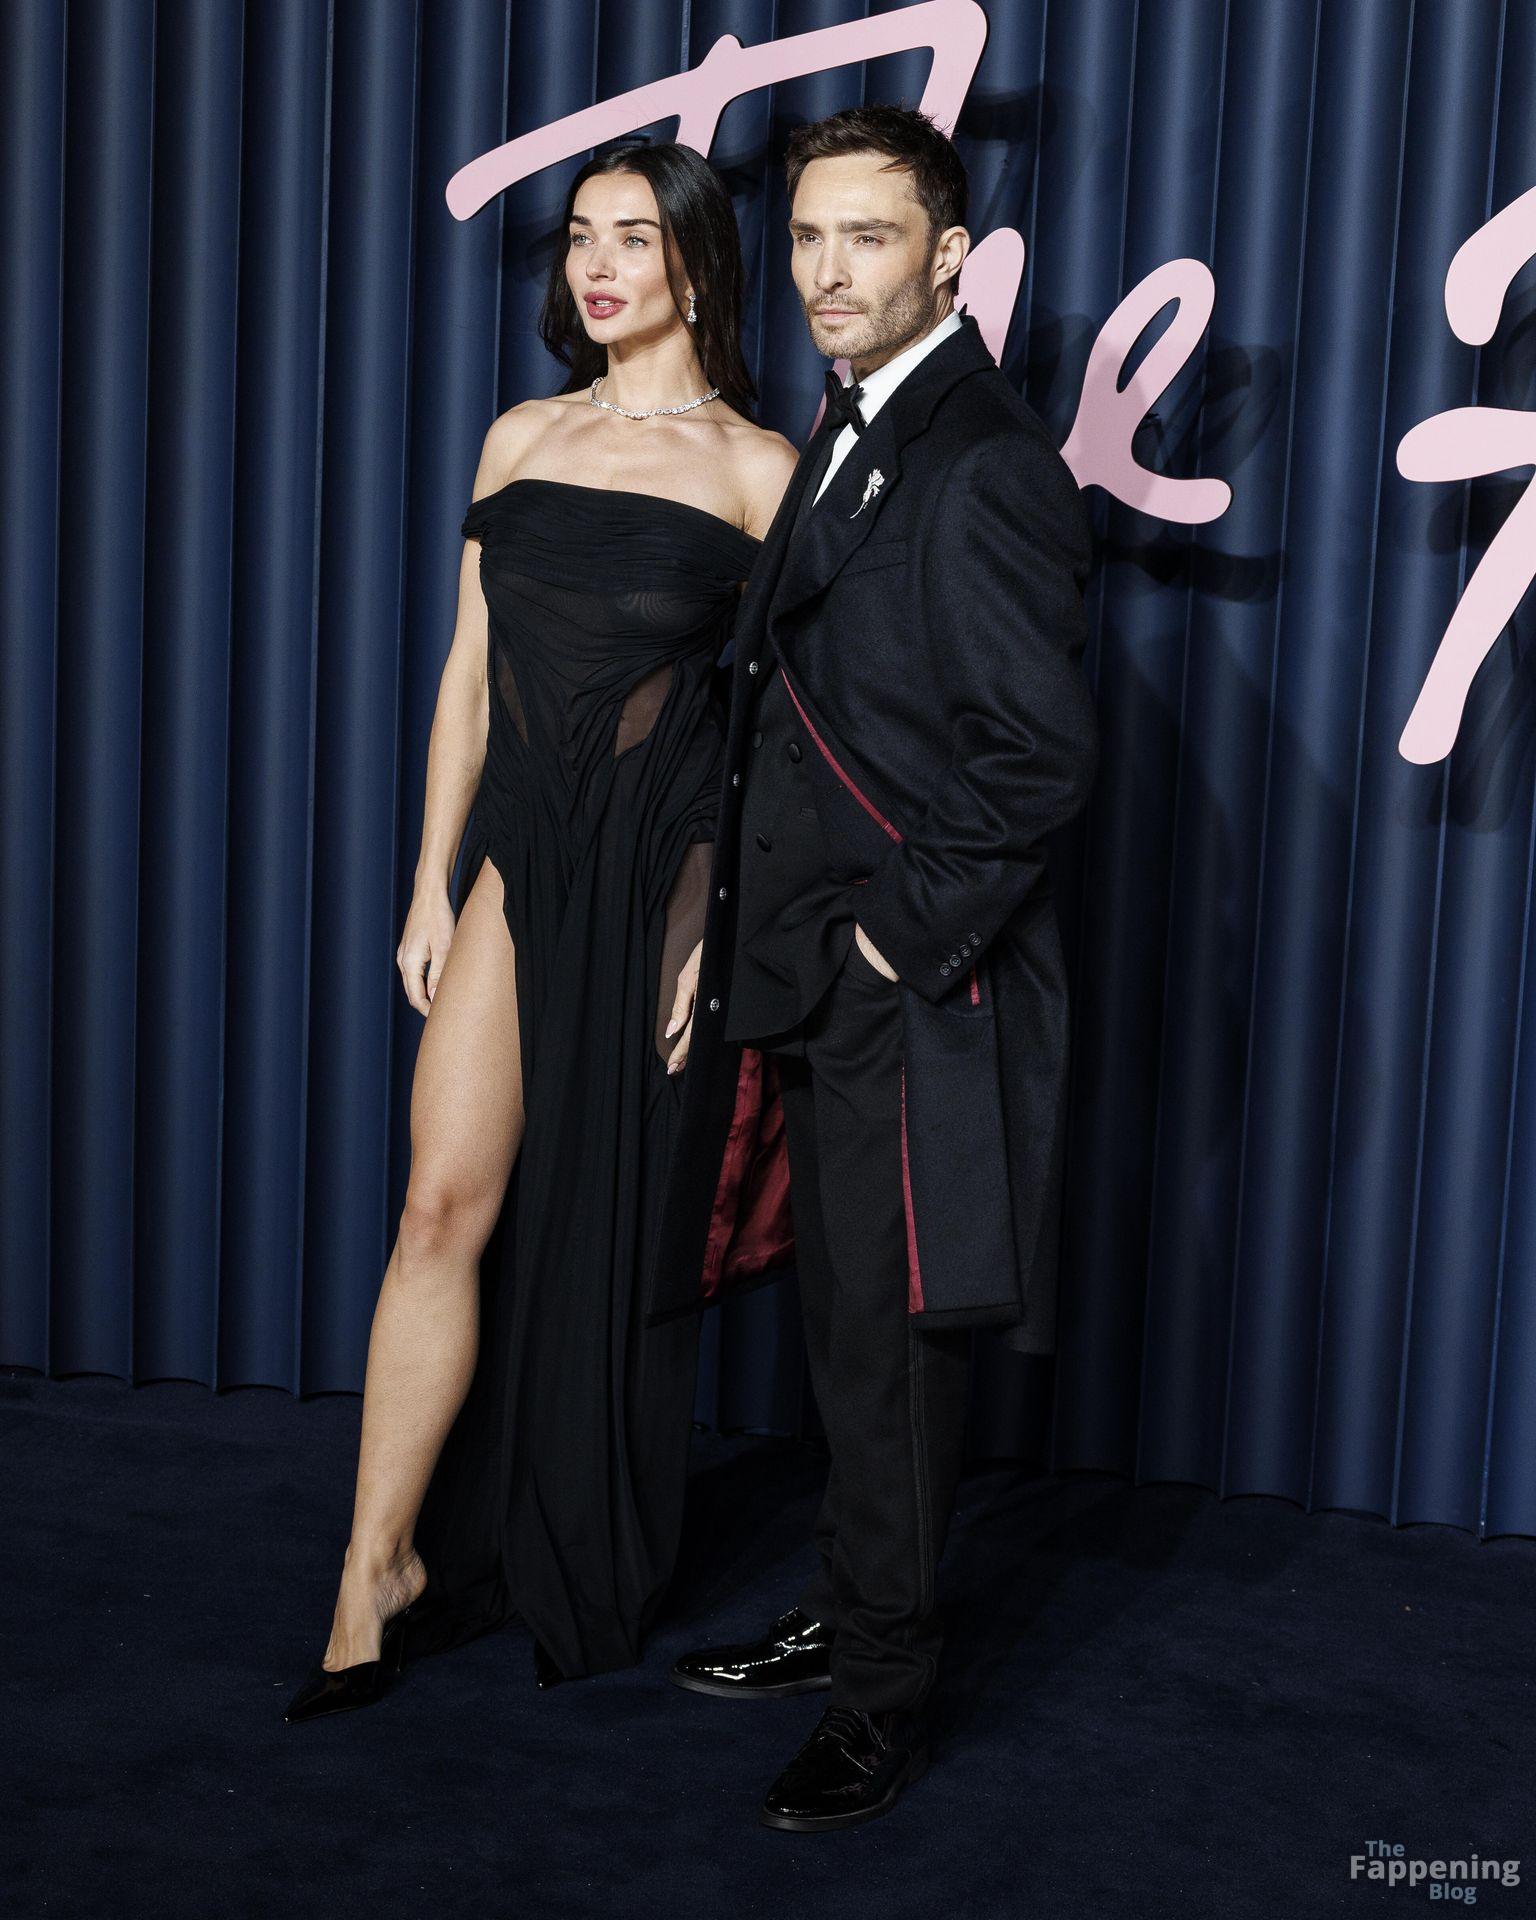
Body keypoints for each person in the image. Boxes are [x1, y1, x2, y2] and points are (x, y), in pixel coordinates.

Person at [283, 139, 798, 1722]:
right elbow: (468, 679)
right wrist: (429, 880)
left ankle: (571, 1528)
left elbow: (766, 740)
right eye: (582, 237)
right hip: (519, 861)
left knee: (605, 1233)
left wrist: (708, 919)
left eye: (634, 238)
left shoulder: (761, 471)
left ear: (697, 263)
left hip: (655, 886)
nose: (599, 266)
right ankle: (376, 1567)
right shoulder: (520, 435)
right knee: (440, 1205)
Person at [648, 105, 1099, 1829]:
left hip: (921, 994)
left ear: (951, 257)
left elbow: (1033, 762)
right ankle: (854, 1614)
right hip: (824, 981)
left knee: (897, 1349)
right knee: (848, 1340)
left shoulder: (984, 459)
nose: (829, 273)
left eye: (872, 237)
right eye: (810, 238)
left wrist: (885, 941)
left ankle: (883, 1702)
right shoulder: (854, 425)